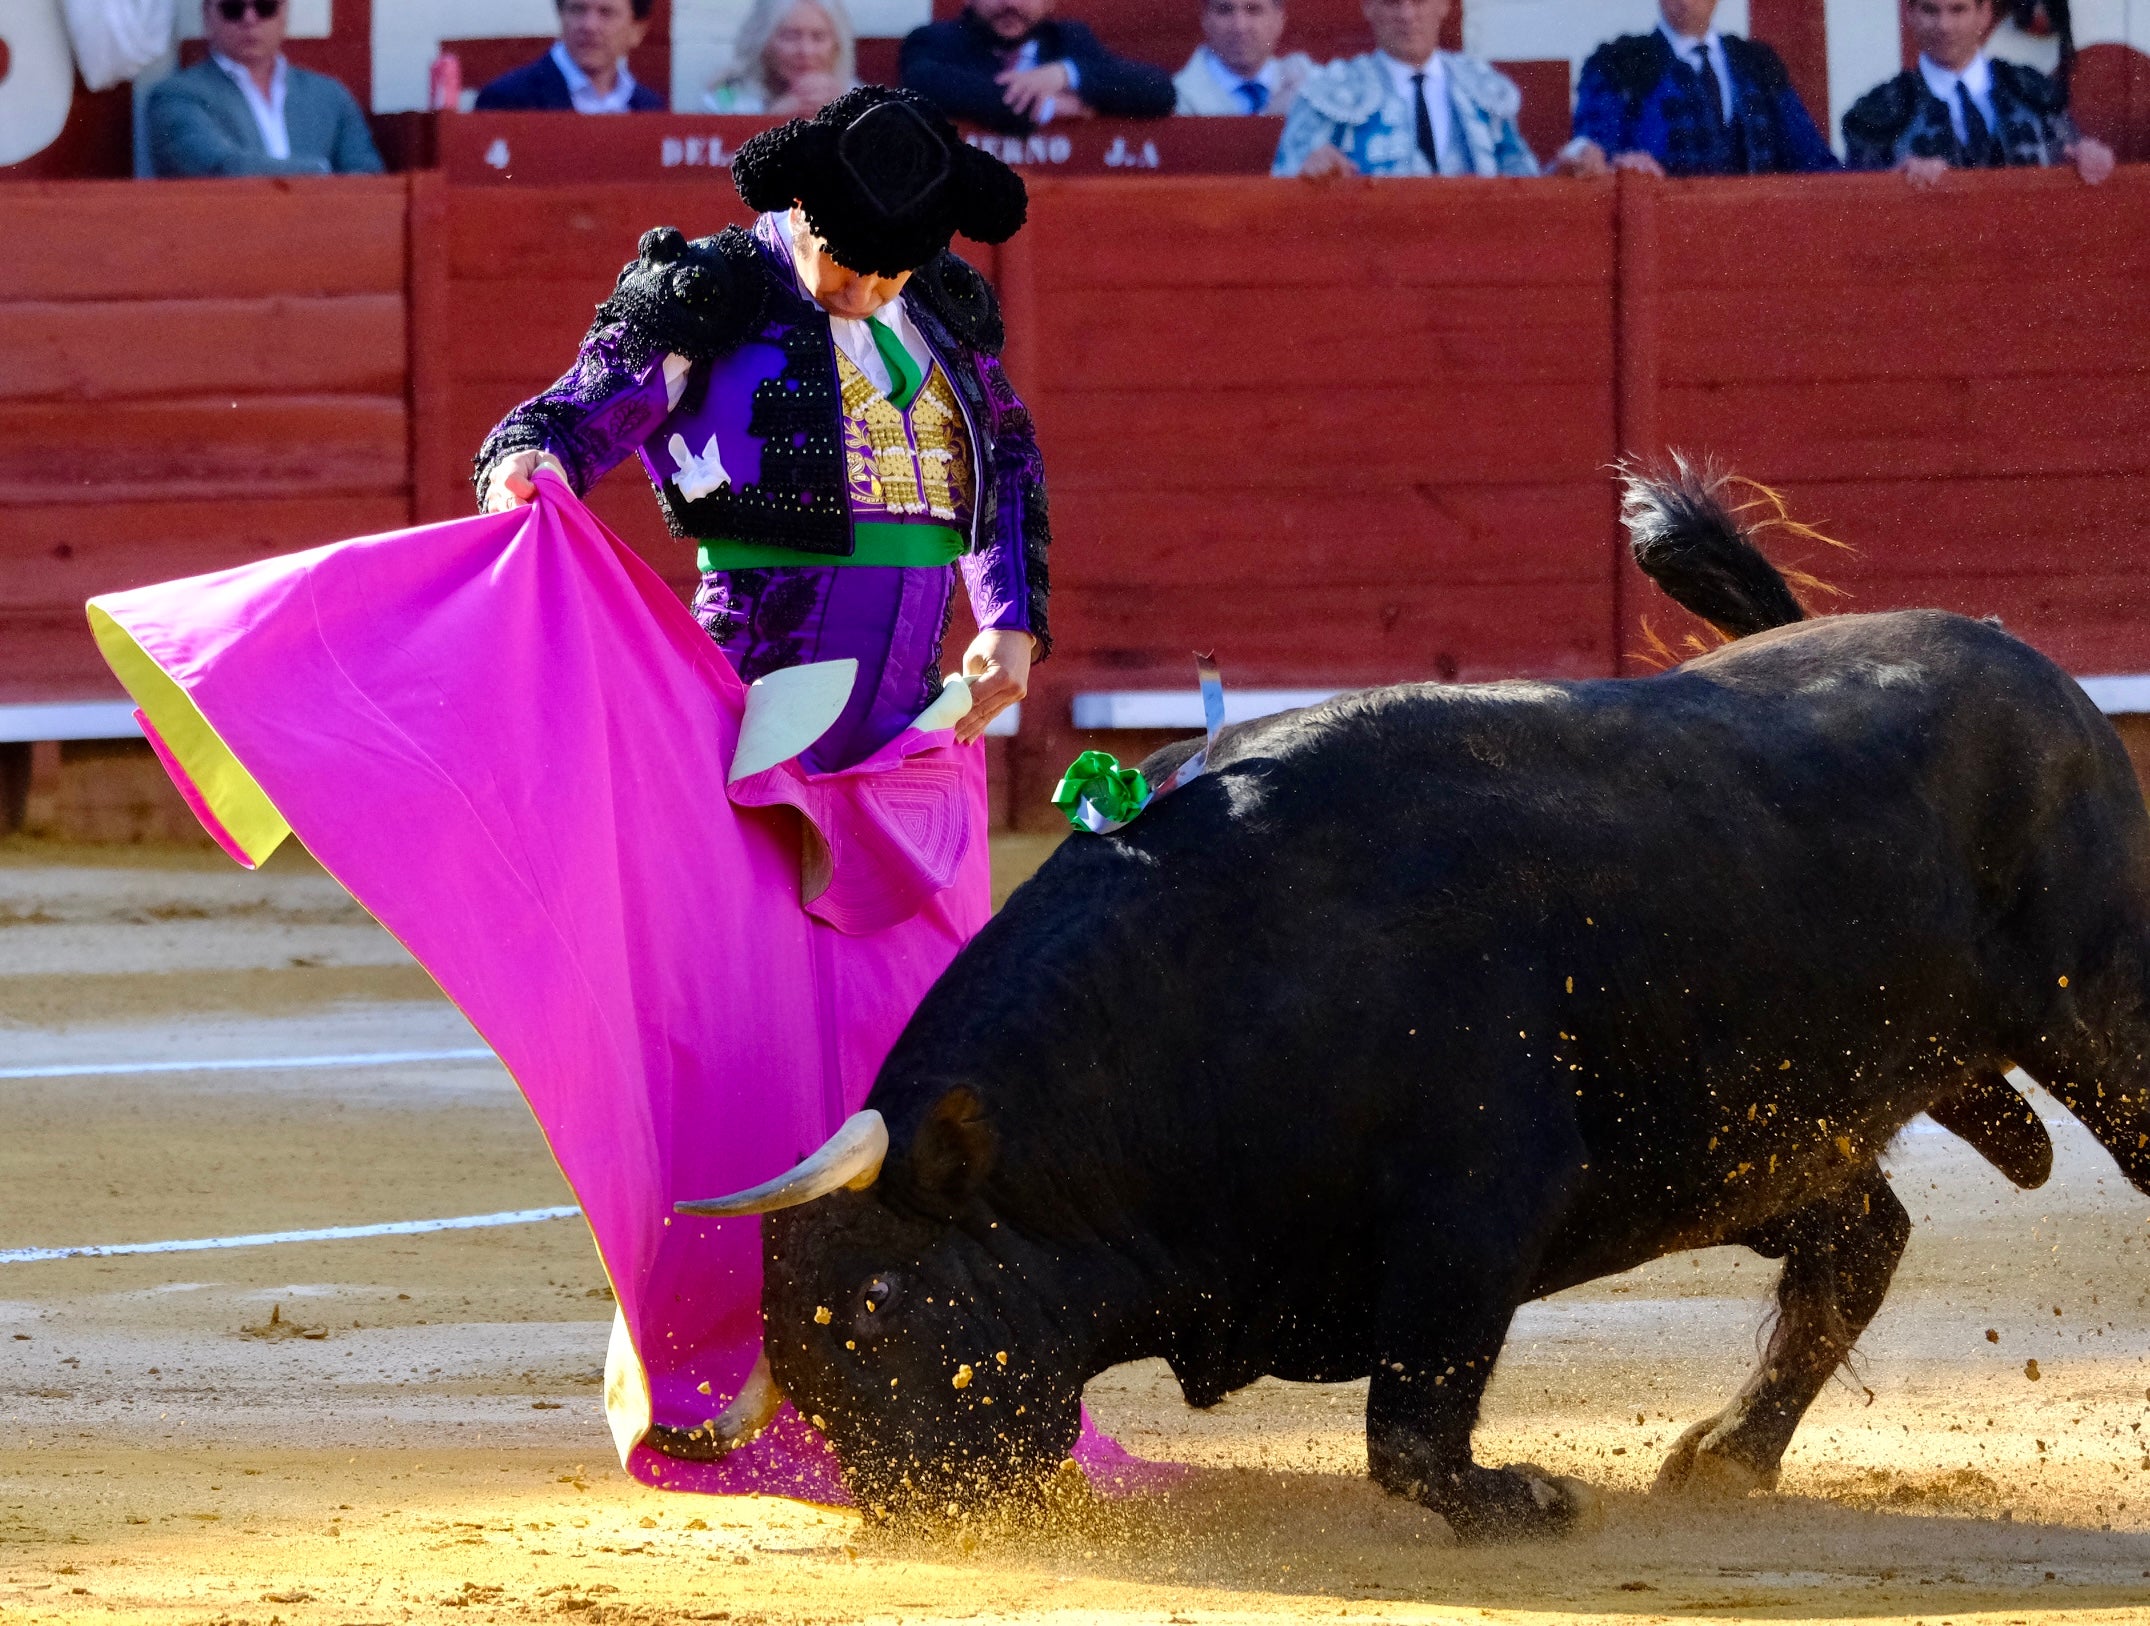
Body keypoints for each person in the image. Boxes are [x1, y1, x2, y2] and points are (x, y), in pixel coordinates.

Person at [476, 85, 1043, 781]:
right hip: (749, 700)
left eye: (887, 277)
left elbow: (1006, 455)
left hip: (911, 713)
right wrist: (529, 455)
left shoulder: (941, 304)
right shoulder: (716, 289)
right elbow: (579, 408)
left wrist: (1011, 619)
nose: (859, 294)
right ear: (800, 208)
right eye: (843, 263)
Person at [1555, 0, 1836, 176]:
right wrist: (1611, 163)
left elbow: (1813, 160)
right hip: (1665, 236)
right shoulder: (1618, 64)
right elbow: (1591, 150)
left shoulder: (1757, 64)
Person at [1842, 0, 2113, 183]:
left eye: (1958, 10)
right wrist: (1894, 180)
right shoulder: (1874, 113)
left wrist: (2087, 156)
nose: (1944, 26)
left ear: (1984, 14)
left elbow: (2071, 153)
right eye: (1930, 10)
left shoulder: (2035, 93)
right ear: (1910, 15)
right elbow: (1858, 204)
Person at [1273, 0, 1536, 177]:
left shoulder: (1482, 86)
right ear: (1368, 7)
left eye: (1419, 1)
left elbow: (1524, 181)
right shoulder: (1329, 89)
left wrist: (1555, 172)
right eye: (1391, 2)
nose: (1407, 15)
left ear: (1444, 4)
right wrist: (1308, 170)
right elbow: (1285, 179)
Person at [146, 0, 382, 177]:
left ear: (284, 14)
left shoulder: (330, 95)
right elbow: (221, 167)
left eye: (265, 6)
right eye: (233, 8)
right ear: (207, 17)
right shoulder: (176, 95)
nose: (250, 19)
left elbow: (368, 175)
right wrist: (321, 173)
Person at [899, 0, 1176, 135]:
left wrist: (1065, 74)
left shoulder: (1069, 39)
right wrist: (1049, 107)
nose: (1011, 4)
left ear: (1049, 3)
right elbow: (924, 82)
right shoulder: (934, 40)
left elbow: (1160, 91)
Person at [473, 0, 667, 113]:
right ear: (561, 16)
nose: (589, 26)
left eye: (606, 13)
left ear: (637, 31)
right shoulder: (507, 98)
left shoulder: (651, 107)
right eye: (577, 9)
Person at [704, 0, 860, 114]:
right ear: (762, 42)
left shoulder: (859, 98)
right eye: (791, 36)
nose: (806, 51)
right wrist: (773, 121)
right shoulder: (726, 97)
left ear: (837, 45)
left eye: (818, 37)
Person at [1174, 0, 1313, 117]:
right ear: (1205, 19)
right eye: (1225, 10)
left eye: (1253, 10)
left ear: (1279, 19)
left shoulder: (1312, 84)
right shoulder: (1177, 101)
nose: (1240, 27)